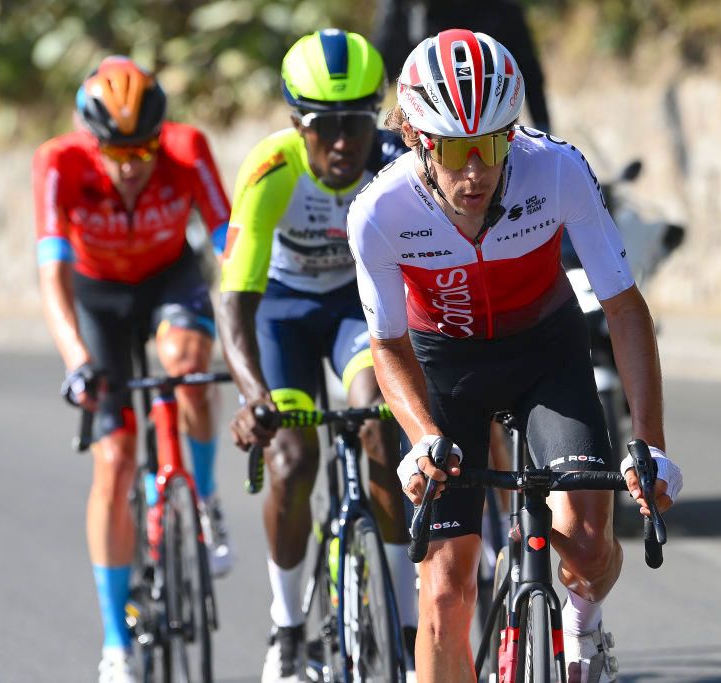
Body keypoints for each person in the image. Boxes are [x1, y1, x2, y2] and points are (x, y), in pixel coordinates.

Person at [347, 30, 684, 683]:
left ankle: (584, 629)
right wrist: (421, 439)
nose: (476, 169)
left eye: (493, 143)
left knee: (588, 545)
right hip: (445, 366)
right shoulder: (380, 212)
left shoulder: (556, 169)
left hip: (544, 354)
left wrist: (650, 443)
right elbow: (388, 346)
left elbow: (622, 305)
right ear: (418, 139)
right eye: (455, 149)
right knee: (445, 590)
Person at [217, 29, 416, 683]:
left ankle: (408, 629)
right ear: (297, 126)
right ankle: (287, 631)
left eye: (355, 122)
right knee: (294, 458)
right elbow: (234, 301)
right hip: (281, 314)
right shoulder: (270, 171)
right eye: (324, 125)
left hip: (354, 312)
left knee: (381, 432)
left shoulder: (393, 162)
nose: (341, 142)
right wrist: (254, 396)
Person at [34, 56, 234, 683]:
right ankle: (116, 642)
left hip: (169, 278)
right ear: (89, 139)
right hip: (98, 300)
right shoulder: (59, 163)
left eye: (142, 152)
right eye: (114, 154)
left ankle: (202, 498)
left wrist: (243, 326)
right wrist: (78, 364)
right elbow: (51, 275)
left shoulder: (186, 149)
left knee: (189, 368)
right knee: (115, 457)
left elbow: (231, 242)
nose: (129, 168)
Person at [371, 0, 551, 131]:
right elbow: (383, 64)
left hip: (490, 120)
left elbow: (530, 72)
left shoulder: (503, 11)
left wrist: (543, 127)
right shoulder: (407, 9)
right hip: (431, 124)